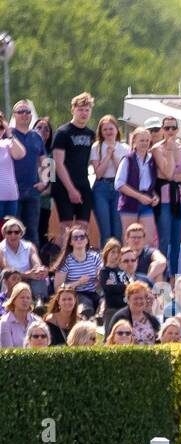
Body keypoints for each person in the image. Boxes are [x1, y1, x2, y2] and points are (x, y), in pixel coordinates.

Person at [152, 115, 181, 273]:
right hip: (163, 199)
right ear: (162, 130)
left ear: (177, 130)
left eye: (173, 128)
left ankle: (175, 275)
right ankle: (161, 274)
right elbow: (167, 173)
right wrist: (169, 150)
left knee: (178, 239)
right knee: (164, 239)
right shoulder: (157, 149)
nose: (170, 131)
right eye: (167, 128)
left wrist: (171, 178)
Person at [51, 92, 95, 242]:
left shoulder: (91, 134)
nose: (84, 113)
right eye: (80, 109)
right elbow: (58, 163)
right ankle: (63, 262)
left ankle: (81, 263)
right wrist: (71, 190)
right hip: (63, 186)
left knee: (83, 227)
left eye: (87, 110)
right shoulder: (63, 133)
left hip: (83, 183)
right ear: (73, 110)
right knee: (67, 227)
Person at [9, 101, 46, 243]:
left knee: (32, 231)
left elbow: (47, 161)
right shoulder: (8, 135)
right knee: (12, 230)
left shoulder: (37, 136)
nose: (24, 115)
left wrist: (46, 182)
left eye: (27, 112)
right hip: (13, 192)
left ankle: (34, 264)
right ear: (14, 115)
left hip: (33, 191)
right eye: (20, 112)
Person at [116, 126, 158, 245]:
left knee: (148, 240)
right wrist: (139, 197)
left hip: (147, 203)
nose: (145, 143)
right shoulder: (128, 159)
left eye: (146, 140)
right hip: (130, 203)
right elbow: (119, 184)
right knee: (129, 240)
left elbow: (150, 183)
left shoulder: (151, 160)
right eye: (141, 140)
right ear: (134, 141)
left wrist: (155, 196)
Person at [88, 114, 124, 244]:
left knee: (118, 231)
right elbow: (98, 174)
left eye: (111, 128)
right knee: (106, 232)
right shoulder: (96, 147)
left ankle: (118, 261)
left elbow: (122, 171)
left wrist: (114, 155)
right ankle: (105, 261)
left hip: (118, 188)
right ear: (101, 132)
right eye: (105, 129)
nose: (108, 132)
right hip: (101, 187)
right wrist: (107, 155)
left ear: (116, 129)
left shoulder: (124, 148)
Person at [52, 226, 101, 312]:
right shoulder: (66, 261)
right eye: (75, 238)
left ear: (86, 240)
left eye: (82, 237)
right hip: (75, 294)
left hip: (94, 293)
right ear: (70, 242)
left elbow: (102, 273)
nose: (79, 240)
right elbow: (58, 288)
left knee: (105, 302)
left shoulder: (95, 257)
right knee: (86, 307)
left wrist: (100, 278)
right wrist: (78, 282)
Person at [0, 217, 48, 302]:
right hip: (10, 277)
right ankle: (9, 301)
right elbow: (6, 269)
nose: (13, 235)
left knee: (39, 273)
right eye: (9, 232)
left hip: (28, 276)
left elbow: (37, 263)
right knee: (11, 277)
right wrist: (27, 274)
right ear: (4, 234)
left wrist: (38, 270)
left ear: (21, 233)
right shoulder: (1, 248)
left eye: (16, 232)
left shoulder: (29, 246)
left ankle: (39, 301)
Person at [110, 279, 160, 343]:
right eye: (135, 298)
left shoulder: (152, 320)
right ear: (128, 300)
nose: (139, 301)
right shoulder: (120, 317)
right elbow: (110, 341)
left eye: (141, 298)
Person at [0, 281, 36, 347]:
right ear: (13, 300)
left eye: (28, 298)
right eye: (22, 297)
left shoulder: (36, 320)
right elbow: (8, 352)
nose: (25, 300)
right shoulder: (5, 323)